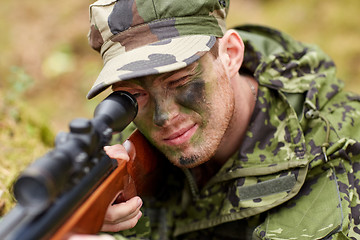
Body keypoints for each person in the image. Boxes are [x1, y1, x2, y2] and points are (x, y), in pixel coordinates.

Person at [71, 0, 360, 239]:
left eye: (181, 82)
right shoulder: (127, 152)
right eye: (134, 96)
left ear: (230, 55)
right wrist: (104, 219)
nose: (163, 117)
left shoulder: (334, 173)